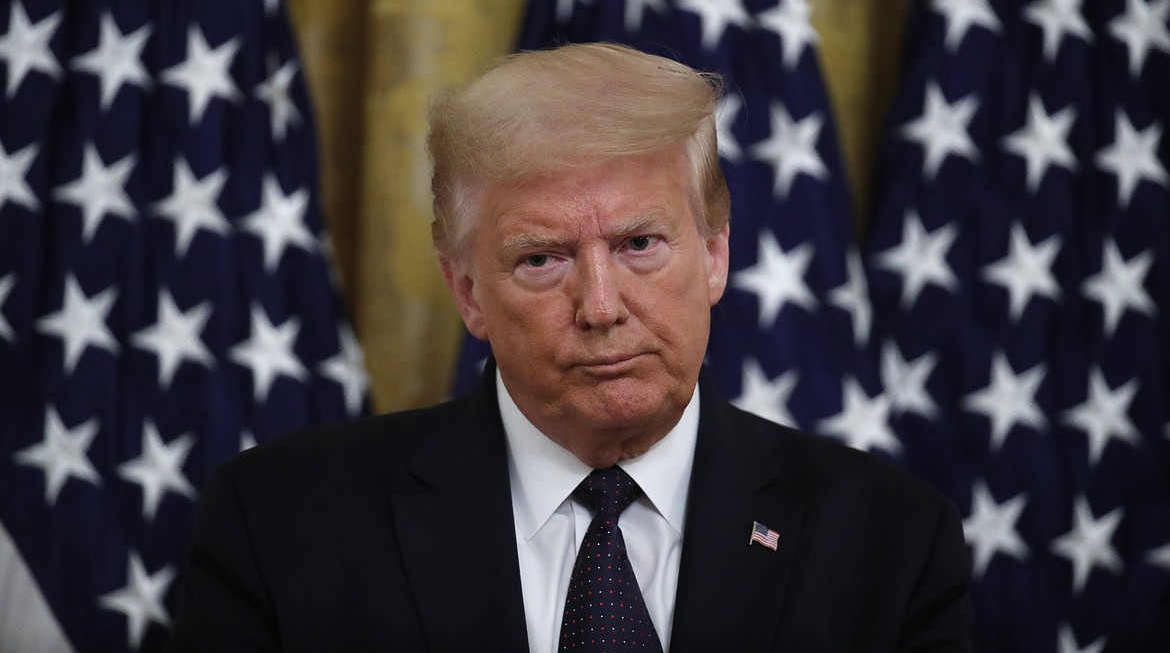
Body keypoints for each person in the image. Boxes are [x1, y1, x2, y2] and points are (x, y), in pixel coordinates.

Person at [165, 43, 972, 652]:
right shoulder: (283, 527)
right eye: (541, 259)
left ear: (716, 255)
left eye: (640, 244)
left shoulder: (887, 544)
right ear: (468, 292)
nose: (600, 307)